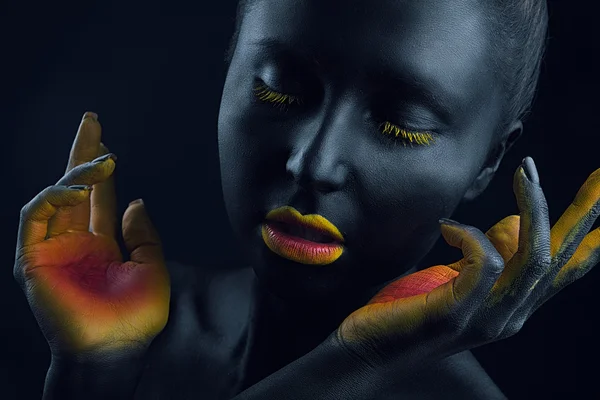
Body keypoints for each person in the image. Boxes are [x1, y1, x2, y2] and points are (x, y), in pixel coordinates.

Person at [13, 0, 600, 398]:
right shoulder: (123, 323)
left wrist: (358, 362)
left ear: (489, 161)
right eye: (276, 88)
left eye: (401, 125)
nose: (313, 164)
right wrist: (89, 373)